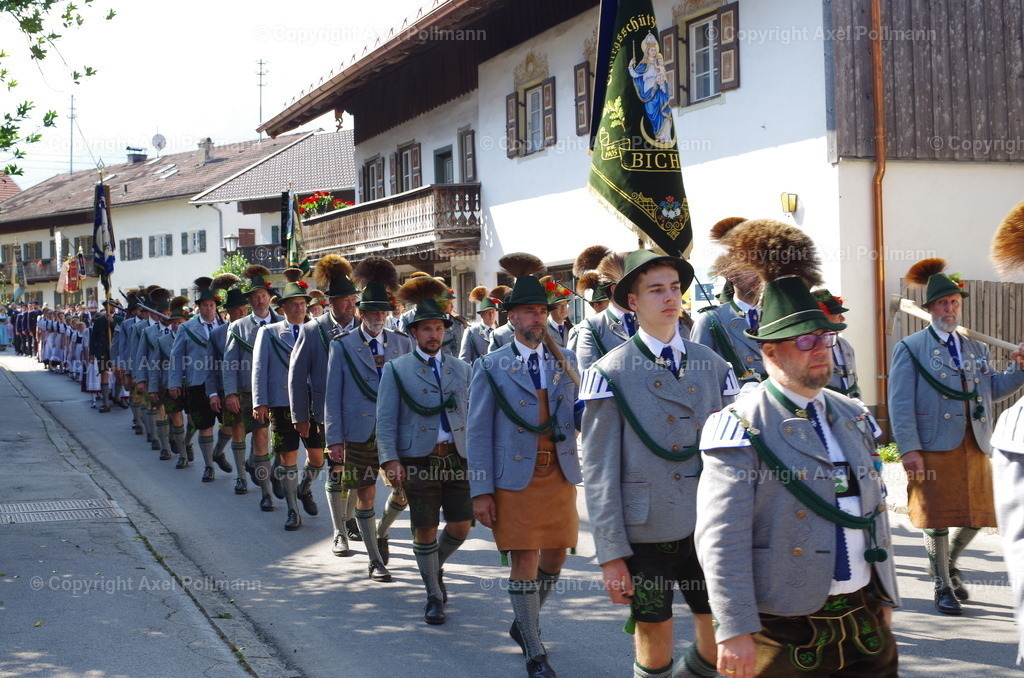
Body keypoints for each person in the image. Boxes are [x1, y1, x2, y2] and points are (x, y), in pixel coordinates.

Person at [696, 223, 899, 677]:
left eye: (825, 337)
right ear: (769, 352)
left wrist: (886, 596)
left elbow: (875, 511)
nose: (820, 349)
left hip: (863, 616)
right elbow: (722, 539)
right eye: (804, 340)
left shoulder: (851, 413)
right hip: (782, 626)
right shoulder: (739, 425)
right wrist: (733, 628)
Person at [581, 250, 738, 678]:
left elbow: (735, 455)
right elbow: (599, 472)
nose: (670, 297)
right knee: (655, 639)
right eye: (656, 290)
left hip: (710, 525)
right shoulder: (609, 372)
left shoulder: (713, 365)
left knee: (720, 638)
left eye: (674, 288)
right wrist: (611, 554)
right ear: (632, 301)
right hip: (645, 531)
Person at [889, 258, 1024, 615]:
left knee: (979, 514)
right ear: (931, 308)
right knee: (936, 516)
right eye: (942, 303)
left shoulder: (976, 348)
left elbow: (993, 389)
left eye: (954, 302)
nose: (949, 309)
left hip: (974, 442)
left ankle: (948, 563)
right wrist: (909, 449)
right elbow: (899, 404)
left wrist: (1019, 369)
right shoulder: (911, 348)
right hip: (933, 445)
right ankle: (941, 586)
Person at [468, 253, 581, 678]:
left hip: (559, 474)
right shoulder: (490, 365)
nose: (538, 318)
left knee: (557, 557)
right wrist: (481, 491)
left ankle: (524, 620)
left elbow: (578, 415)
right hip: (514, 479)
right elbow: (478, 433)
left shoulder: (565, 359)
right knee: (526, 560)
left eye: (542, 311)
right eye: (530, 311)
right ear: (512, 317)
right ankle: (535, 651)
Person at [378, 290, 473, 625]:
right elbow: (385, 419)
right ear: (414, 333)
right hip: (418, 460)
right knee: (425, 528)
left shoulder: (462, 368)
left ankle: (434, 566)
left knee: (461, 525)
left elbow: (474, 416)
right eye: (427, 329)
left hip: (458, 458)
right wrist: (390, 460)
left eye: (439, 328)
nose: (434, 334)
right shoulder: (397, 369)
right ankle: (433, 594)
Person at [325, 260, 412, 579]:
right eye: (372, 312)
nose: (378, 317)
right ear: (361, 313)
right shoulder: (342, 345)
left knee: (403, 491)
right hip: (358, 433)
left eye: (383, 312)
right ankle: (375, 560)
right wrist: (334, 439)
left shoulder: (402, 342)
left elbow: (411, 391)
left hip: (394, 432)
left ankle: (382, 532)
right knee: (366, 494)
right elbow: (332, 395)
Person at [290, 254, 361, 555]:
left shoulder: (364, 328)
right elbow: (296, 375)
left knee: (356, 470)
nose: (350, 305)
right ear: (330, 302)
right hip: (324, 414)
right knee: (335, 467)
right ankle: (338, 531)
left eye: (352, 299)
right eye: (344, 300)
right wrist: (299, 415)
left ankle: (350, 518)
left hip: (360, 413)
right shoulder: (312, 329)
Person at [253, 269, 322, 531]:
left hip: (311, 402)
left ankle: (304, 489)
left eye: (303, 304)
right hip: (281, 402)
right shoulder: (269, 332)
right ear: (282, 308)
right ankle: (293, 510)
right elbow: (259, 368)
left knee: (317, 458)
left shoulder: (316, 331)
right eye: (294, 304)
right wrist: (259, 402)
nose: (299, 308)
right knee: (287, 457)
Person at [222, 266, 283, 511]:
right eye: (255, 297)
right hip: (251, 392)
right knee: (260, 438)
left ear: (270, 298)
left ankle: (274, 473)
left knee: (282, 444)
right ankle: (266, 493)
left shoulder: (283, 323)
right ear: (249, 301)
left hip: (281, 391)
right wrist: (230, 392)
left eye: (263, 296)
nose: (260, 301)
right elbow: (229, 363)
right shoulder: (238, 327)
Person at [170, 277, 232, 483]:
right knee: (205, 425)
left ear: (216, 306)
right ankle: (208, 466)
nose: (208, 308)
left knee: (230, 424)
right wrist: (175, 382)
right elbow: (176, 357)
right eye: (204, 305)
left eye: (211, 305)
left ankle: (218, 451)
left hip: (223, 381)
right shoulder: (187, 328)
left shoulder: (226, 326)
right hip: (198, 382)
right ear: (198, 307)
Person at [206, 276, 251, 494]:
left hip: (253, 388)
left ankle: (221, 452)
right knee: (237, 429)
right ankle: (241, 477)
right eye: (236, 310)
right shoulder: (217, 334)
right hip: (229, 390)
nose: (241, 313)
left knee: (259, 432)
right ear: (228, 312)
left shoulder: (255, 328)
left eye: (244, 309)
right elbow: (211, 367)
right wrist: (213, 393)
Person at [567, 248, 633, 370]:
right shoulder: (590, 328)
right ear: (614, 289)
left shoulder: (645, 319)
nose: (637, 291)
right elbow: (588, 375)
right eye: (631, 286)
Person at [147, 296, 191, 468]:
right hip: (169, 384)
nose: (176, 325)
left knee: (194, 420)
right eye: (174, 322)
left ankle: (186, 442)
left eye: (180, 322)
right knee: (176, 416)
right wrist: (153, 388)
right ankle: (182, 455)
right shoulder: (162, 341)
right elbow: (154, 366)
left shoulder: (193, 338)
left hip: (191, 384)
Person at [813, 289, 860, 399]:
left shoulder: (845, 344)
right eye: (838, 315)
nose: (843, 319)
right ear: (824, 317)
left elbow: (854, 383)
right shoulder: (813, 346)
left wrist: (858, 405)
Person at [628, 32, 673, 144]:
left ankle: (664, 136)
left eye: (655, 50)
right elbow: (635, 75)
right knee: (650, 111)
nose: (654, 52)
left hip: (659, 89)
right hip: (648, 91)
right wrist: (630, 66)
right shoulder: (643, 64)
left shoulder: (659, 64)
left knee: (662, 110)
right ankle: (657, 134)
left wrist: (662, 77)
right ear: (647, 51)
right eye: (652, 50)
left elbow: (665, 76)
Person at [459, 286, 502, 364]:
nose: (491, 315)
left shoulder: (500, 331)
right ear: (481, 314)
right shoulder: (472, 331)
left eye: (493, 312)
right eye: (488, 312)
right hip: (478, 370)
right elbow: (464, 359)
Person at [541, 276, 573, 348]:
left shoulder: (572, 328)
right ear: (550, 309)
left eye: (565, 305)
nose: (563, 308)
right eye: (559, 305)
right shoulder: (541, 330)